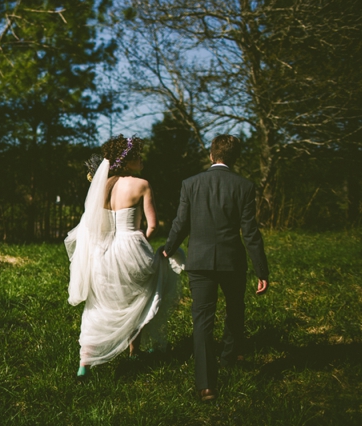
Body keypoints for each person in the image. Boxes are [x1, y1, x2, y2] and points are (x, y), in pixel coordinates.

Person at [65, 135, 183, 380]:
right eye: (137, 155)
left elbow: (91, 224)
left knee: (100, 304)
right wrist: (143, 242)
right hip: (131, 246)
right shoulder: (141, 184)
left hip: (102, 251)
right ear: (127, 160)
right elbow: (153, 225)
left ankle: (84, 362)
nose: (141, 159)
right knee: (139, 298)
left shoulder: (102, 185)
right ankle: (133, 352)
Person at [163, 134, 269, 402]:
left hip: (199, 262)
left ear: (212, 155)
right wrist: (262, 270)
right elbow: (251, 232)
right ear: (235, 158)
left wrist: (168, 248)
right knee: (235, 309)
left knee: (202, 318)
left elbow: (181, 222)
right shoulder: (244, 186)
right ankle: (229, 357)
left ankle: (206, 384)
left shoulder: (191, 184)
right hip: (232, 261)